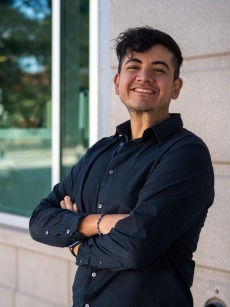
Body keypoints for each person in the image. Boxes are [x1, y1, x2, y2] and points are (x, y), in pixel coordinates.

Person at [29, 26, 215, 307]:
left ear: (175, 87)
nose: (144, 77)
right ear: (118, 82)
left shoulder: (186, 154)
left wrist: (75, 241)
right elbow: (40, 221)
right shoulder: (99, 152)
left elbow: (136, 248)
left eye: (159, 69)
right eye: (134, 66)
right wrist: (98, 223)